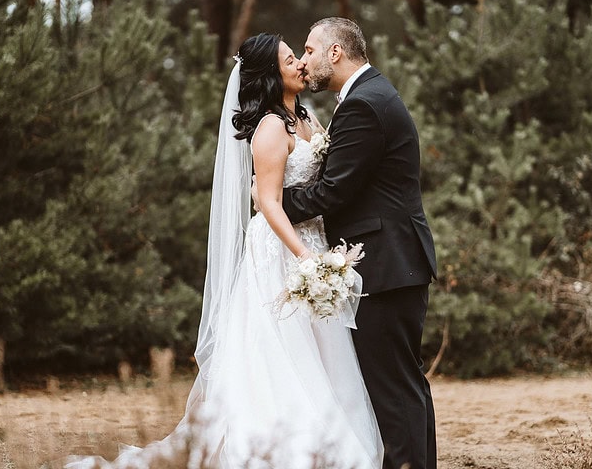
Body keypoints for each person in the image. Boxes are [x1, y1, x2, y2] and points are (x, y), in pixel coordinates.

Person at [63, 33, 383, 468]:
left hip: (311, 240)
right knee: (280, 347)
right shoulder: (270, 128)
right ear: (273, 74)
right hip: (281, 250)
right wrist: (305, 258)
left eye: (299, 57)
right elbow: (268, 203)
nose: (301, 65)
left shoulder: (306, 118)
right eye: (292, 60)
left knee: (322, 349)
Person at [278, 17, 439, 469]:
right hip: (397, 260)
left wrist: (272, 201)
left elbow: (334, 191)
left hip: (385, 264)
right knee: (405, 384)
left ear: (335, 53)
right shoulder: (373, 95)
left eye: (309, 50)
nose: (305, 60)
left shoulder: (363, 105)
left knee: (392, 387)